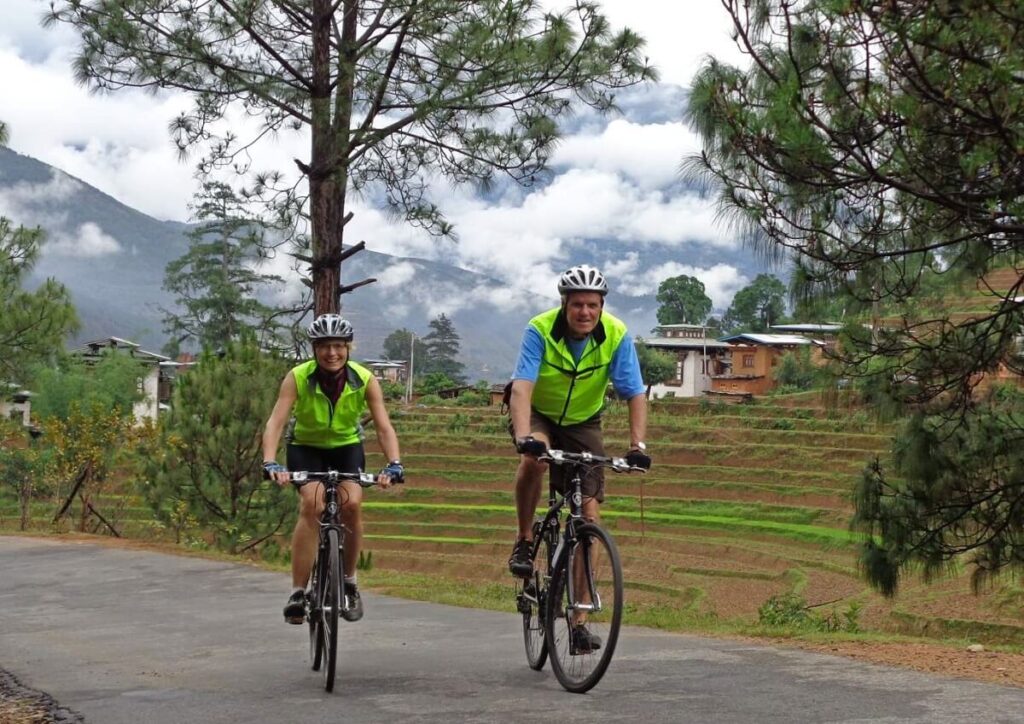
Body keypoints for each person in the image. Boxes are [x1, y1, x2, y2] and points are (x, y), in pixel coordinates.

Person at [506, 264, 651, 651]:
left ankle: (579, 622)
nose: (585, 312)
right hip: (539, 413)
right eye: (577, 305)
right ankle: (523, 539)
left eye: (592, 305)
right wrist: (524, 437)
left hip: (584, 419)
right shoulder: (539, 329)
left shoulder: (617, 334)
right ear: (564, 305)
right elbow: (521, 388)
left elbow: (634, 392)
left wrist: (638, 447)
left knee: (588, 517)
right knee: (533, 460)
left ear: (602, 306)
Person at [262, 313, 403, 625]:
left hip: (346, 448)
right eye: (324, 346)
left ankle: (349, 582)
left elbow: (383, 427)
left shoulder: (365, 379)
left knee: (351, 505)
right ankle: (298, 592)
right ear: (314, 349)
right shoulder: (297, 377)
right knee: (312, 505)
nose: (332, 353)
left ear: (348, 348)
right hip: (305, 448)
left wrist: (394, 463)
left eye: (338, 346)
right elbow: (276, 421)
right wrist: (271, 461)